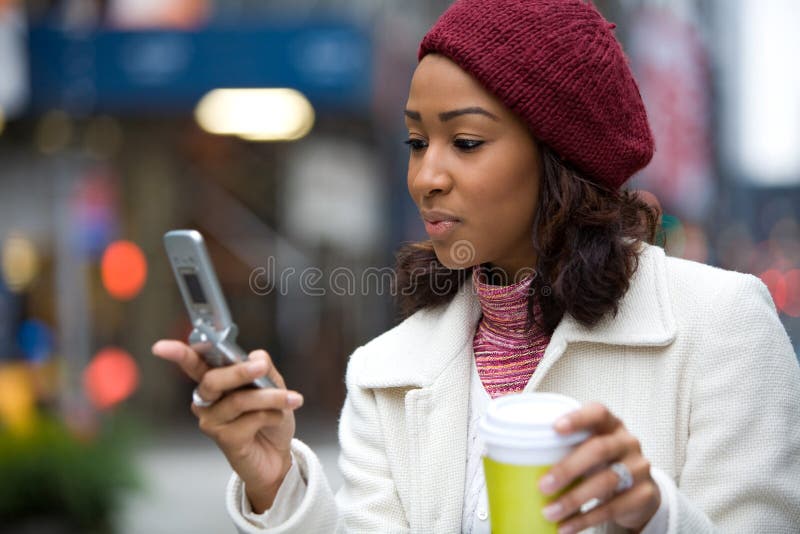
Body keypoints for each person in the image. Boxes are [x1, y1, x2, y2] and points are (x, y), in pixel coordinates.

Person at [152, 0, 800, 532]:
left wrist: (656, 518)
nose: (426, 176)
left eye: (465, 142)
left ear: (559, 154)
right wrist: (278, 487)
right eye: (416, 141)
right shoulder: (385, 372)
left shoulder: (722, 326)